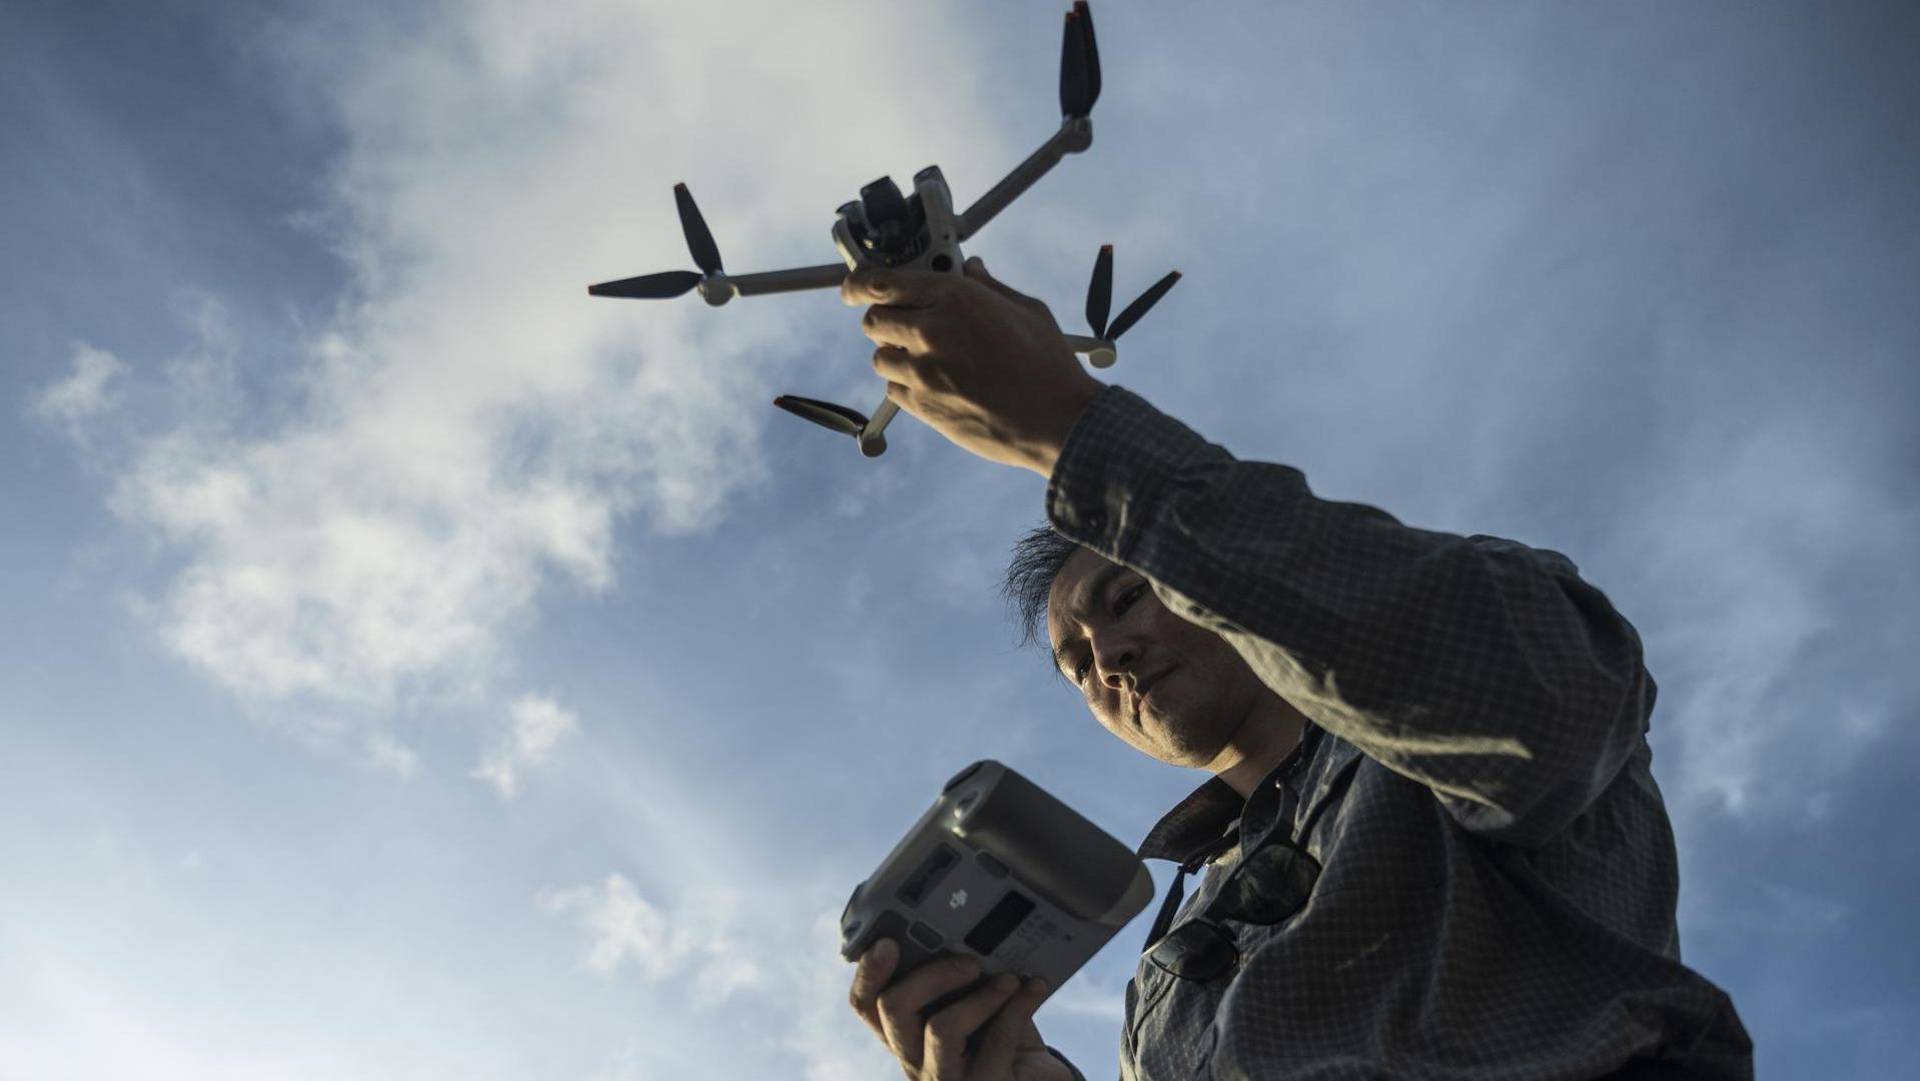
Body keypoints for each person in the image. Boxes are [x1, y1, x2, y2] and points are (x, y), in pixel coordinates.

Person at [840, 258, 1753, 1081]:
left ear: (1203, 584)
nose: (1107, 657)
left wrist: (1076, 434)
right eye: (1076, 664)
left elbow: (1534, 692)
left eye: (1124, 601)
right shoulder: (1158, 981)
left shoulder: (1431, 717)